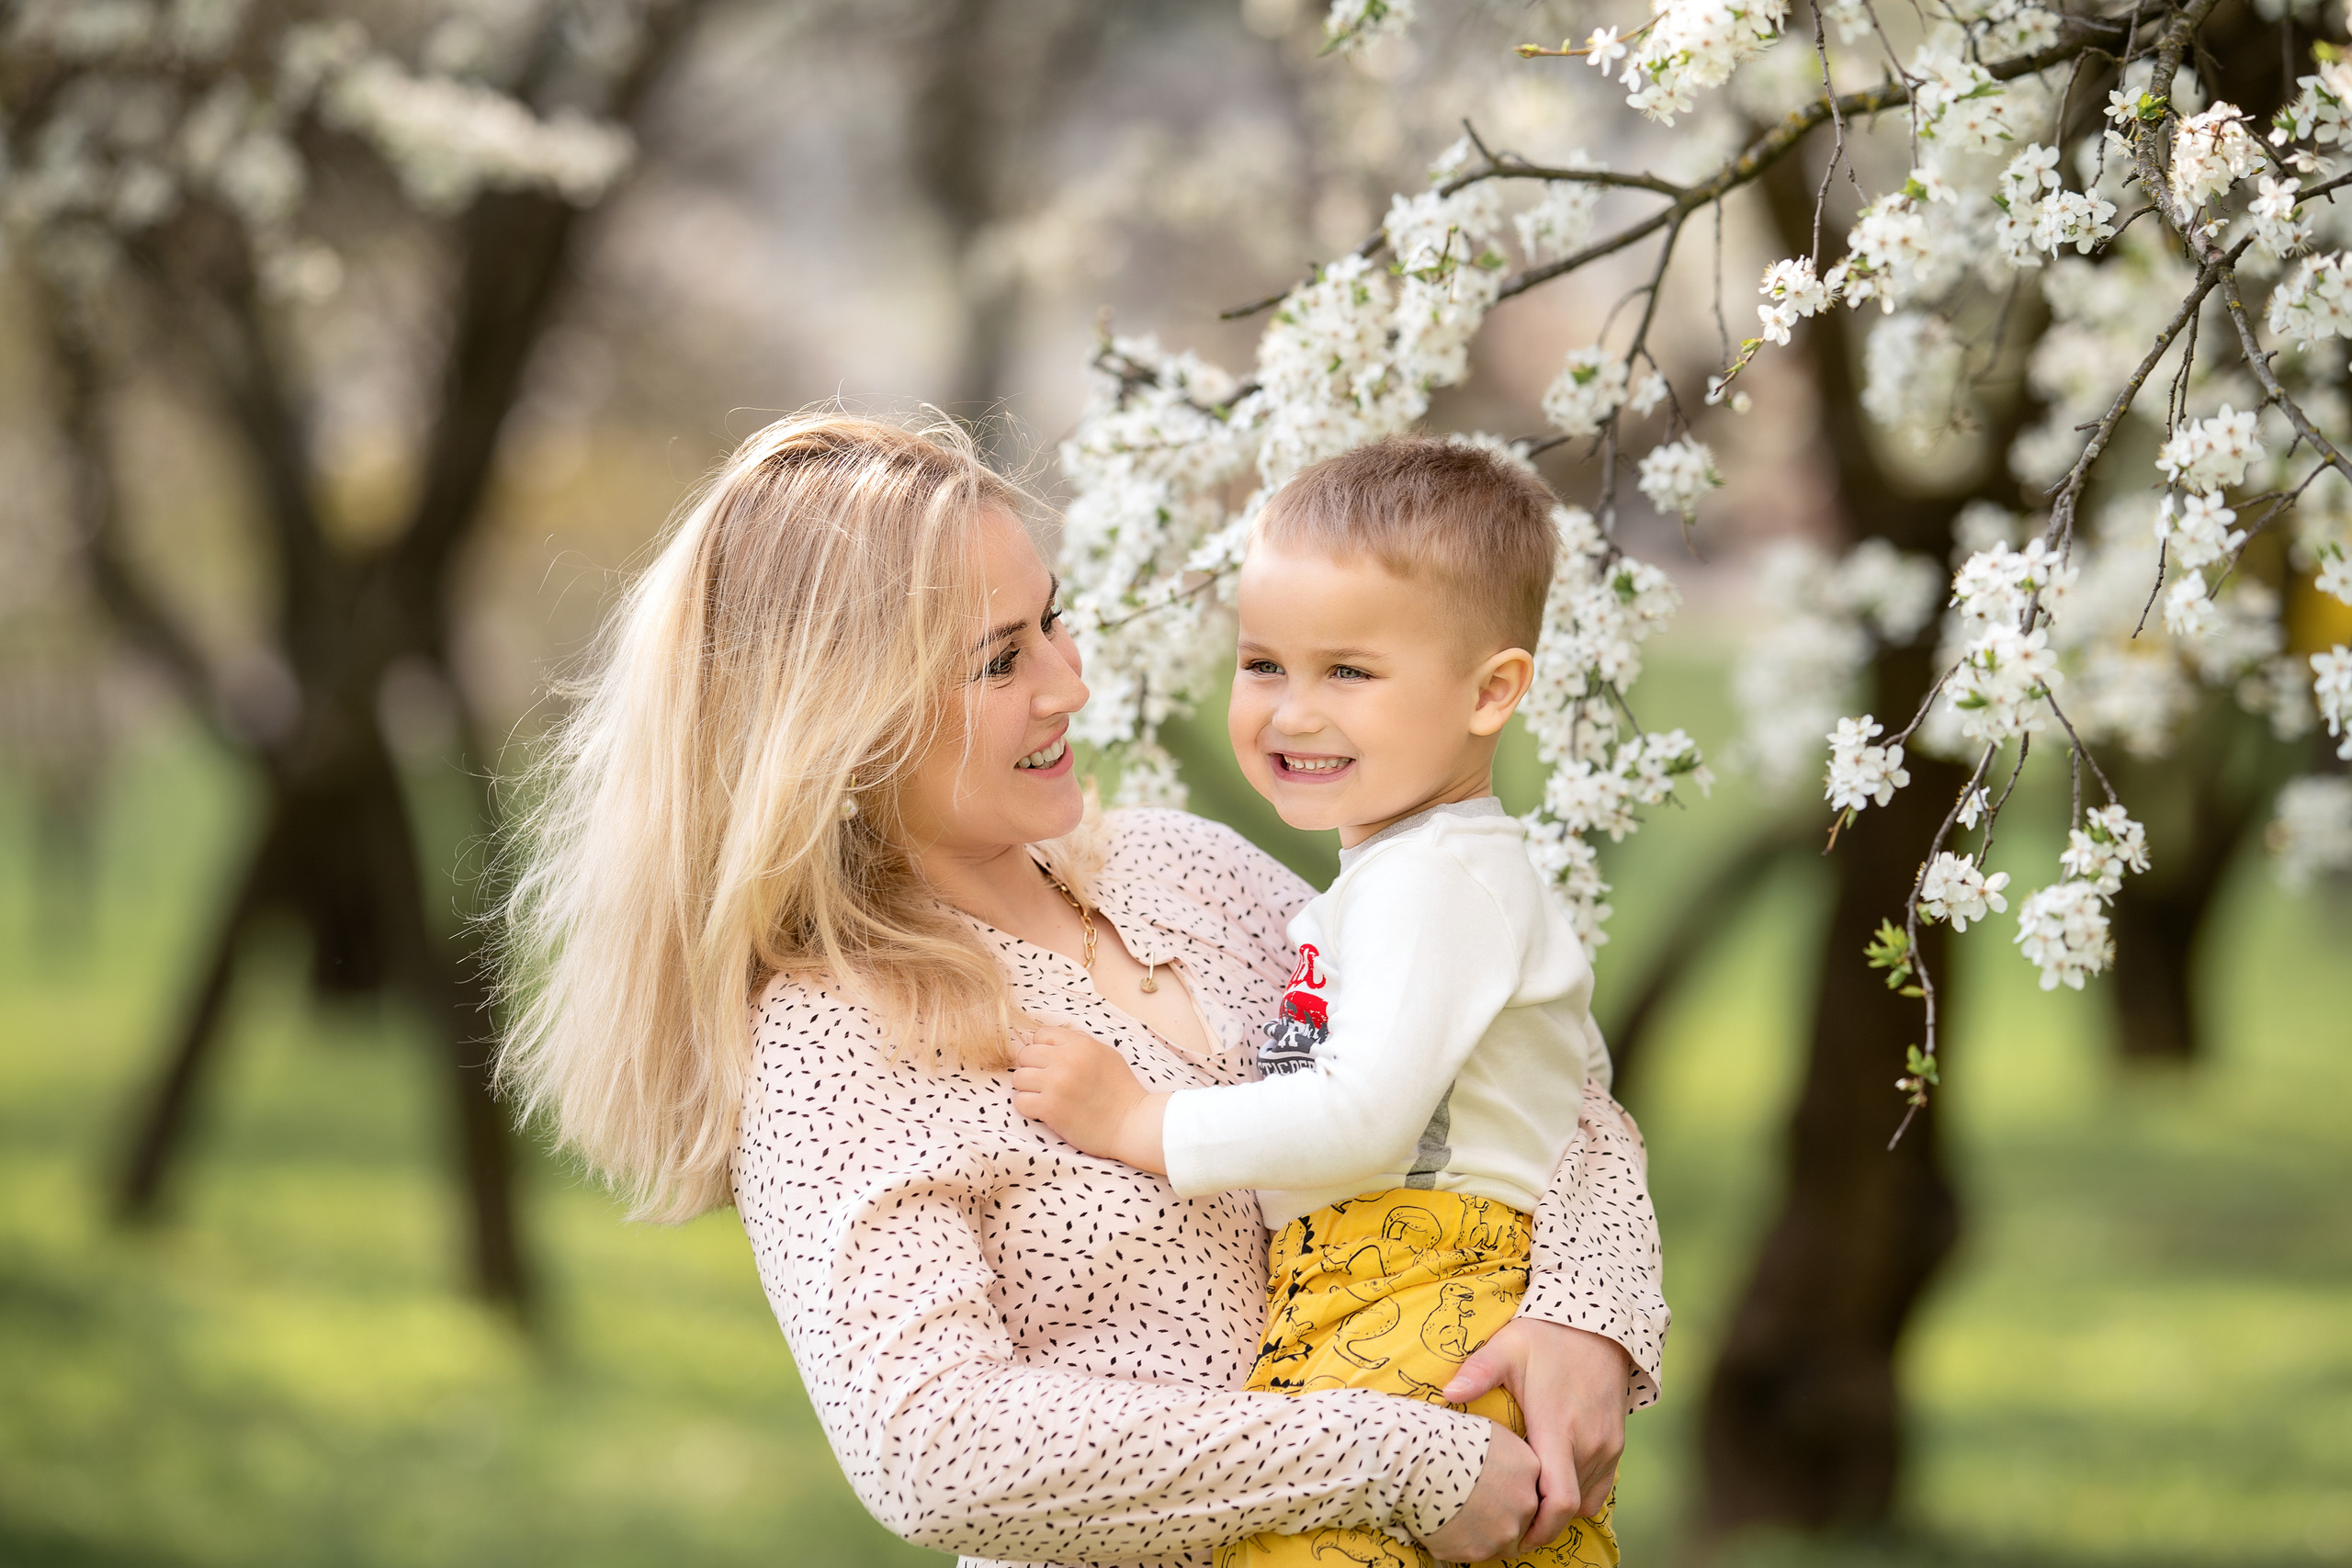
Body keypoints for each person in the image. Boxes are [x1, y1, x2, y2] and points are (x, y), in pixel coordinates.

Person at [495, 411, 1668, 1568]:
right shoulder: (829, 1041)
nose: (1072, 685)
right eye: (1002, 660)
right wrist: (1397, 1460)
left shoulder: (1190, 871)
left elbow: (1536, 1078)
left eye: (1051, 621)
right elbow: (934, 1450)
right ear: (845, 725)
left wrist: (1589, 1309)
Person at [1013, 437, 1629, 1568]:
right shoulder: (1404, 877)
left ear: (1492, 691)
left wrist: (1135, 1126)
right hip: (1371, 1282)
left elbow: (1364, 1117)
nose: (1292, 713)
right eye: (1263, 666)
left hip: (1426, 1276)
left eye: (1348, 672)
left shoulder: (1433, 883)